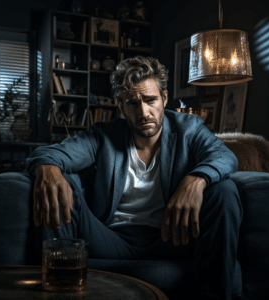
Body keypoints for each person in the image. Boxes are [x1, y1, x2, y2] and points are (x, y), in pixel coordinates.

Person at [26, 56, 243, 300]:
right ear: (121, 106)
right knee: (59, 183)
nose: (143, 112)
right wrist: (48, 168)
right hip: (112, 239)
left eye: (150, 100)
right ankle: (59, 292)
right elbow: (50, 153)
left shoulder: (188, 128)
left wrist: (196, 180)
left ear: (164, 98)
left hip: (171, 236)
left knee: (224, 190)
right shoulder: (105, 135)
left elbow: (225, 157)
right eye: (132, 103)